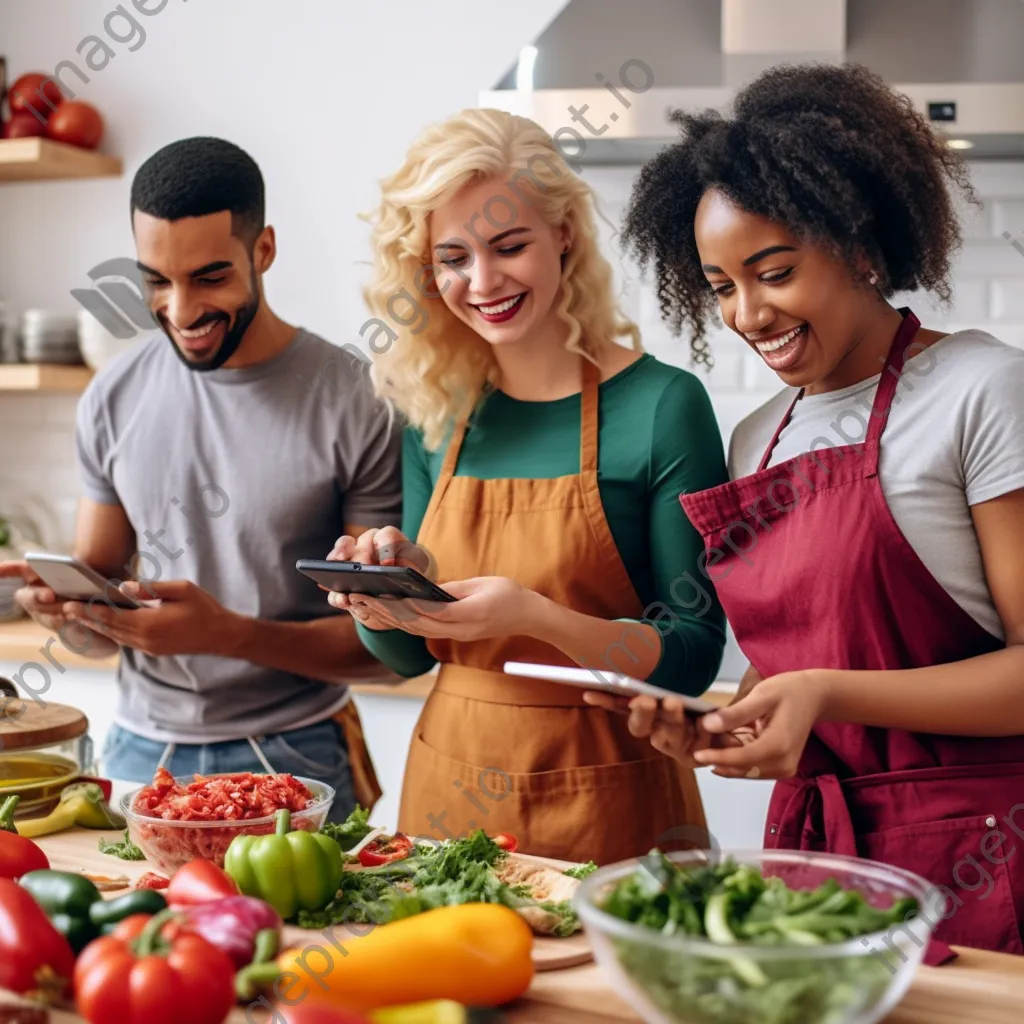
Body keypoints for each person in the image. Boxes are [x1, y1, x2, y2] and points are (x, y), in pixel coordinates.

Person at [594, 62, 1024, 956]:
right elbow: (798, 666)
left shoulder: (982, 389)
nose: (747, 313)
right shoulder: (759, 438)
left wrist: (823, 695)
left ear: (860, 244)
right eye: (719, 285)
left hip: (984, 856)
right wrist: (721, 722)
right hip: (820, 872)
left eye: (773, 271)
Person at [325, 108, 729, 864]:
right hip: (449, 787)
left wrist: (539, 617)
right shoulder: (436, 413)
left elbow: (693, 656)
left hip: (614, 795)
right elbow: (409, 660)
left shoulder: (662, 407)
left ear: (565, 234)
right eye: (453, 258)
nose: (483, 282)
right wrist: (382, 599)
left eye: (509, 245)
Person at [0, 137, 402, 822]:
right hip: (136, 758)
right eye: (156, 279)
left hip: (296, 757)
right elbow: (101, 621)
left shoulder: (355, 399)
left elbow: (387, 646)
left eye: (210, 278)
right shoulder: (113, 395)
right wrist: (66, 613)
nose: (181, 310)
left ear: (264, 250)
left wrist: (228, 634)